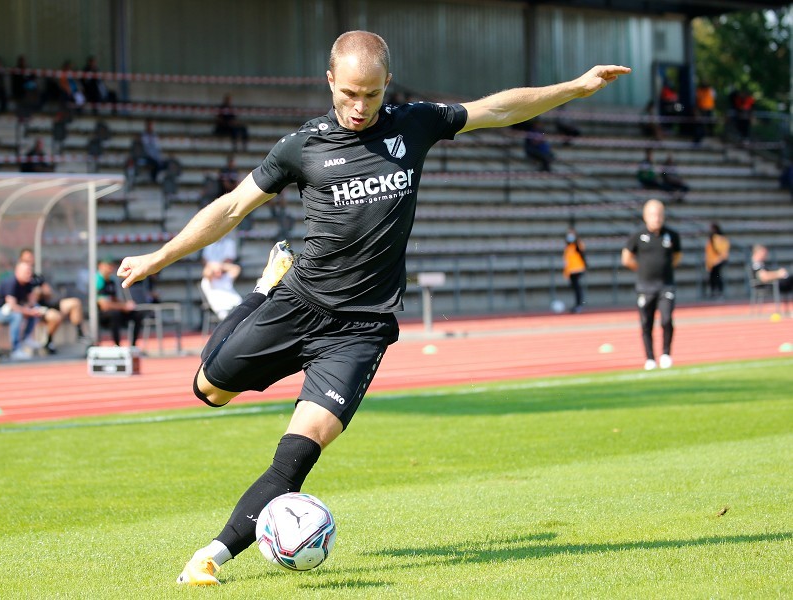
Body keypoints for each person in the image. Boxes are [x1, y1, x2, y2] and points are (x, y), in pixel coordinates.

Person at [115, 30, 630, 586]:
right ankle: (264, 288)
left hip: (361, 329)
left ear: (388, 84)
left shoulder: (415, 123)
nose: (359, 108)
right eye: (349, 95)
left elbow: (496, 108)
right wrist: (160, 256)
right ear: (330, 81)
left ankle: (210, 557)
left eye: (372, 95)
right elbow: (234, 207)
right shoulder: (301, 147)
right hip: (299, 299)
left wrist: (575, 88)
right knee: (208, 391)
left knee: (300, 450)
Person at [621, 199, 682, 371]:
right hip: (645, 287)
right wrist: (641, 270)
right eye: (653, 215)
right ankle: (649, 358)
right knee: (646, 322)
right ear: (645, 216)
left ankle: (666, 354)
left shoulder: (672, 235)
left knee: (666, 319)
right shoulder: (637, 236)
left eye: (660, 214)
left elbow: (677, 257)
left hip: (666, 286)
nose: (657, 218)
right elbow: (626, 258)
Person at [19, 248, 87, 351]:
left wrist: (41, 292)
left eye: (31, 259)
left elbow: (49, 292)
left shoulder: (37, 277)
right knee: (55, 316)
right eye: (26, 259)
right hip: (36, 309)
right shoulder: (20, 280)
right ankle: (48, 342)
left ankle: (80, 334)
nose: (29, 262)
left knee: (74, 303)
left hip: (48, 304)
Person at [0, 261, 49, 360]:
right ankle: (15, 349)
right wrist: (28, 311)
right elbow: (12, 306)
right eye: (26, 272)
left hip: (14, 310)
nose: (29, 274)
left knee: (35, 310)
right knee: (17, 315)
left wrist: (34, 310)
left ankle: (26, 338)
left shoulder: (28, 283)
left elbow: (32, 302)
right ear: (18, 272)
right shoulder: (11, 282)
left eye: (30, 271)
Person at [96, 258, 144, 347]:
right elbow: (104, 305)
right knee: (115, 314)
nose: (111, 268)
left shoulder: (111, 281)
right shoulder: (98, 280)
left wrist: (126, 305)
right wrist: (123, 307)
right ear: (101, 266)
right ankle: (117, 345)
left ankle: (133, 345)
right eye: (108, 265)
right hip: (102, 315)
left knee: (137, 314)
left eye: (111, 265)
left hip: (114, 309)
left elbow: (113, 299)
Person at [200, 233, 243, 321]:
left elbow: (236, 268)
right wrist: (214, 267)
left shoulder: (226, 277)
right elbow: (206, 269)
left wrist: (219, 266)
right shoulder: (207, 281)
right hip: (222, 309)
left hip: (235, 306)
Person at [562, 228, 586, 312]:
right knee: (575, 289)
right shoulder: (568, 248)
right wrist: (566, 273)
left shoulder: (577, 246)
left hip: (578, 270)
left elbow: (582, 250)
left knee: (577, 288)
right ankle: (576, 305)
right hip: (571, 271)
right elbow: (566, 261)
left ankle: (579, 305)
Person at [704, 223, 730, 299]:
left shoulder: (720, 239)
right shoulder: (712, 239)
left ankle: (719, 292)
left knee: (717, 276)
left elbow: (723, 251)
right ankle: (714, 292)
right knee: (713, 277)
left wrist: (718, 260)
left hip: (718, 261)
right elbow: (708, 252)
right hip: (712, 262)